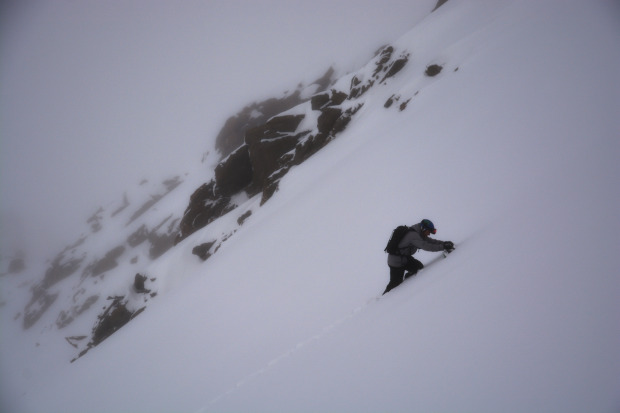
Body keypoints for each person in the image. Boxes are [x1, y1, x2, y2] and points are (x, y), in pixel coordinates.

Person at [383, 219, 454, 295]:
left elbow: (430, 241)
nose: (429, 234)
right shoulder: (413, 235)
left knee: (418, 267)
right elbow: (427, 246)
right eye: (429, 231)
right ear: (424, 228)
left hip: (404, 258)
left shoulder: (419, 232)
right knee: (395, 284)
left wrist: (443, 243)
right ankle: (382, 300)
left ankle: (409, 282)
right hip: (396, 262)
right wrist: (443, 247)